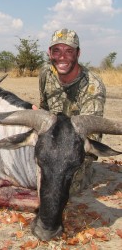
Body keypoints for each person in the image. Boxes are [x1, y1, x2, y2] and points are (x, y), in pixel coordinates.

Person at [39, 28, 106, 194]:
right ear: (49, 53)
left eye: (69, 51)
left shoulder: (93, 86)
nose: (62, 57)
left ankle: (89, 172)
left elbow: (91, 135)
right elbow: (44, 109)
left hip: (77, 148)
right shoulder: (46, 73)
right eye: (57, 51)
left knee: (65, 187)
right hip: (51, 142)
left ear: (78, 53)